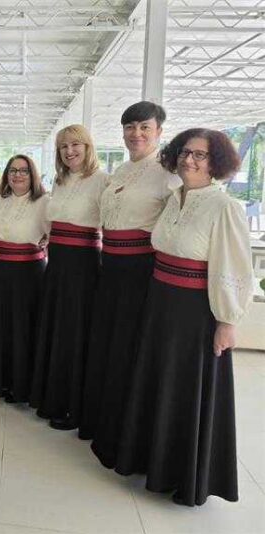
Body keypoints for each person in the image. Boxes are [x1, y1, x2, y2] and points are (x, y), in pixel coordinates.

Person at [114, 128, 252, 506]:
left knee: (186, 390)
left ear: (216, 162)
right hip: (160, 303)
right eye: (185, 153)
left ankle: (182, 476)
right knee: (157, 383)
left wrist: (227, 321)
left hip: (194, 313)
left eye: (200, 155)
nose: (190, 160)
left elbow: (234, 268)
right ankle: (150, 462)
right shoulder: (173, 198)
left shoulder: (224, 207)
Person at [78, 102, 179, 467]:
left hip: (142, 270)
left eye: (144, 127)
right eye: (130, 127)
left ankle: (129, 438)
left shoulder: (170, 175)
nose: (136, 134)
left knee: (130, 350)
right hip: (111, 267)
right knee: (108, 346)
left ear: (159, 132)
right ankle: (103, 424)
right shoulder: (119, 170)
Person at [30, 124, 108, 430]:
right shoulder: (59, 181)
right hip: (57, 265)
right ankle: (51, 398)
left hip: (83, 267)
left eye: (76, 145)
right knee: (56, 332)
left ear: (88, 147)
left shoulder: (102, 180)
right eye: (63, 146)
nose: (69, 151)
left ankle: (73, 407)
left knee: (75, 336)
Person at [0, 155, 49, 402]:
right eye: (13, 170)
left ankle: (20, 386)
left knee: (22, 329)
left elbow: (53, 235)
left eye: (24, 171)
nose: (18, 175)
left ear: (33, 175)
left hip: (28, 274)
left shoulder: (44, 202)